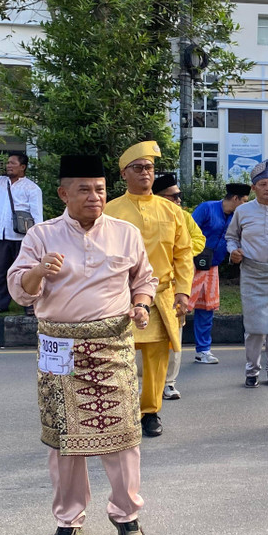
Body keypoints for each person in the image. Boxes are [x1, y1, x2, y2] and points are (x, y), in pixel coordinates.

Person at [7, 154, 156, 535]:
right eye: (85, 190)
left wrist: (141, 304)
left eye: (100, 189)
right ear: (63, 194)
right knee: (65, 443)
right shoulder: (41, 235)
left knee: (123, 438)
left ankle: (127, 514)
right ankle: (68, 519)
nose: (95, 197)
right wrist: (39, 270)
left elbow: (144, 278)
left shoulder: (125, 232)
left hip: (113, 346)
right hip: (60, 349)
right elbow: (19, 287)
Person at [103, 141, 194, 438]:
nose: (145, 173)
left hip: (162, 294)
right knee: (120, 357)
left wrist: (183, 291)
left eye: (150, 168)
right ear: (124, 174)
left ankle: (150, 411)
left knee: (157, 358)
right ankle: (122, 409)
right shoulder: (110, 210)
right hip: (122, 296)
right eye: (138, 168)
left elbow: (183, 254)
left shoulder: (171, 210)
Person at [226, 161, 268, 387]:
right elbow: (231, 237)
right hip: (252, 274)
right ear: (254, 188)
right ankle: (252, 370)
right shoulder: (242, 211)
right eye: (263, 184)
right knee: (253, 329)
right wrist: (233, 251)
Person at [151, 173, 206, 400]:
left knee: (175, 335)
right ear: (158, 197)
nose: (179, 201)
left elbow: (198, 240)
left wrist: (180, 253)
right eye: (173, 196)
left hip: (174, 286)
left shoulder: (183, 216)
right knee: (145, 340)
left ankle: (169, 383)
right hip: (146, 287)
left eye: (179, 196)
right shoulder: (147, 216)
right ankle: (145, 384)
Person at [0, 152, 43, 316]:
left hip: (23, 238)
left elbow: (37, 216)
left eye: (13, 163)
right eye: (8, 163)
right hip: (1, 235)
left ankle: (29, 304)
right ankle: (1, 304)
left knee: (26, 272)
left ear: (23, 167)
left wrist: (35, 239)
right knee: (1, 272)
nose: (8, 166)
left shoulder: (32, 188)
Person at [189, 182, 251, 363]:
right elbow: (187, 231)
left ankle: (203, 350)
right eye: (244, 201)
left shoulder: (236, 217)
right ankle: (170, 346)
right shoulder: (207, 208)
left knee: (207, 308)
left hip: (212, 266)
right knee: (181, 306)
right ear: (235, 198)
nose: (246, 205)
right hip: (192, 265)